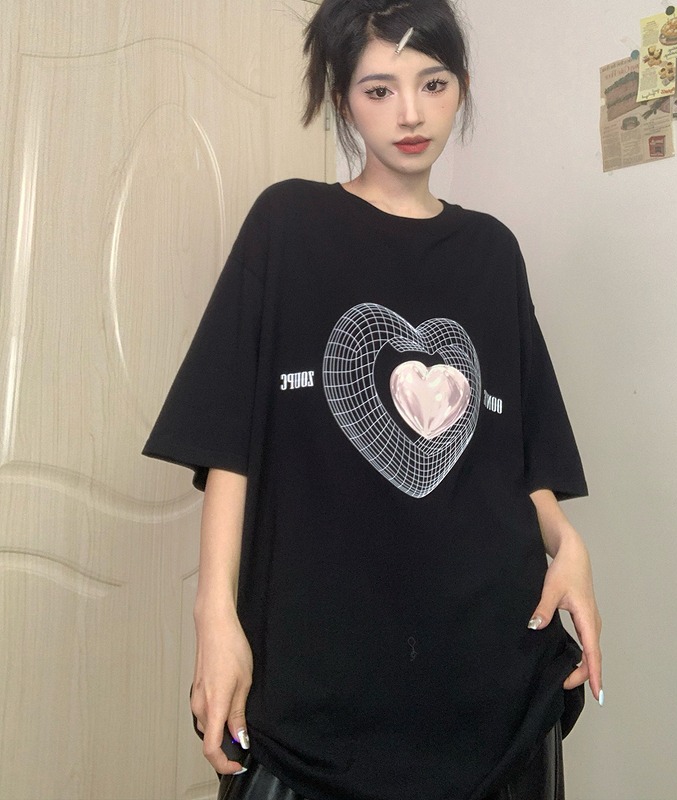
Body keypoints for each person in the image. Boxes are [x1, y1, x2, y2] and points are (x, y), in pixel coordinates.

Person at [144, 1, 602, 798]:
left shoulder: (493, 252)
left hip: (489, 679)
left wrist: (570, 546)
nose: (411, 114)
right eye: (379, 89)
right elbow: (227, 445)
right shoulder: (288, 224)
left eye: (434, 83)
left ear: (461, 89)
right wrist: (215, 619)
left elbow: (517, 450)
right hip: (316, 683)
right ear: (342, 100)